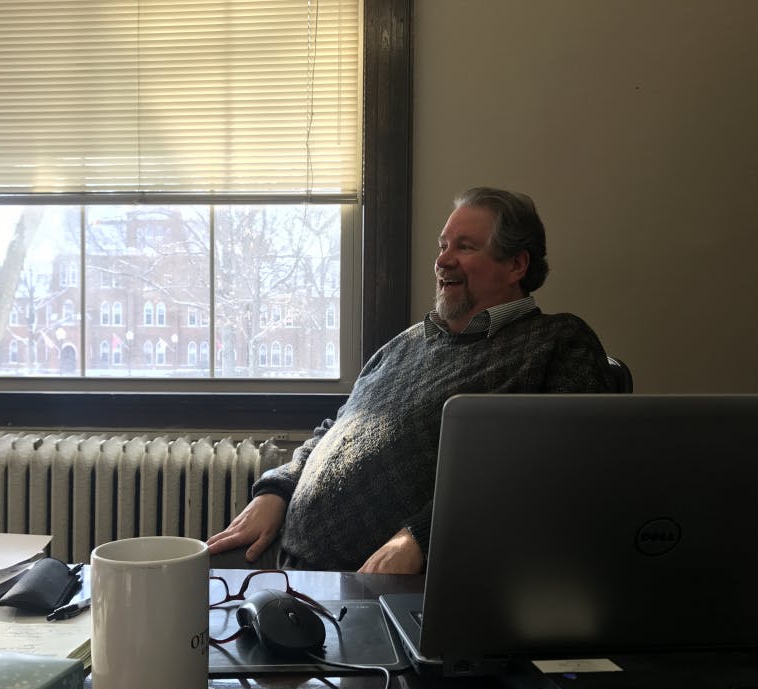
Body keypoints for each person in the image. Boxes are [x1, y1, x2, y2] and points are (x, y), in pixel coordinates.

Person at [207, 187, 613, 574]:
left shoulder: (556, 342)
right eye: (443, 246)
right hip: (285, 556)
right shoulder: (407, 342)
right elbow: (335, 429)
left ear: (516, 265)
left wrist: (423, 536)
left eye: (464, 247)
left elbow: (551, 470)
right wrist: (277, 489)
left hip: (389, 581)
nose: (443, 260)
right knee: (187, 585)